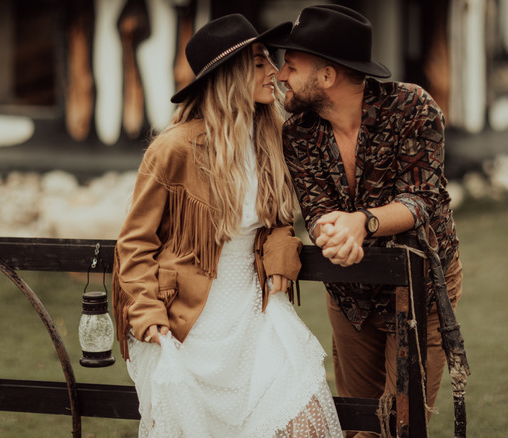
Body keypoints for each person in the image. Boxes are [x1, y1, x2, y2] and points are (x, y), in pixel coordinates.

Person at [111, 14, 342, 438]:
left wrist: (279, 253)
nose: (274, 72)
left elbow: (275, 222)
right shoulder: (173, 148)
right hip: (185, 325)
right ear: (228, 75)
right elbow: (134, 243)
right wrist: (147, 317)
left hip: (256, 313)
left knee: (305, 421)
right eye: (259, 63)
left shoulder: (270, 136)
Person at [270, 5, 464, 437]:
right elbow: (317, 209)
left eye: (291, 65)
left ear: (326, 77)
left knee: (401, 424)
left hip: (421, 290)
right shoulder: (298, 132)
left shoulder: (413, 107)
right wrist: (333, 234)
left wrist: (363, 223)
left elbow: (422, 200)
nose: (281, 74)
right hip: (349, 295)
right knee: (359, 425)